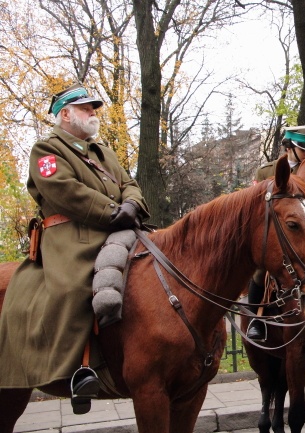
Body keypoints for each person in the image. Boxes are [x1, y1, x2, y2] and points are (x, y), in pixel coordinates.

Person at [0, 83, 149, 415]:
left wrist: (131, 205)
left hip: (120, 228)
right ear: (64, 114)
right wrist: (113, 212)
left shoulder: (103, 153)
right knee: (74, 287)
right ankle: (80, 371)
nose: (92, 112)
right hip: (72, 237)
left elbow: (130, 184)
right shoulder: (46, 151)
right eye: (84, 108)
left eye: (93, 108)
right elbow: (64, 191)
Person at [246, 125, 305, 341]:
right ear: (289, 147)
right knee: (259, 272)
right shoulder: (265, 171)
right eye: (303, 149)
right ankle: (257, 319)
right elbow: (254, 205)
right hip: (274, 228)